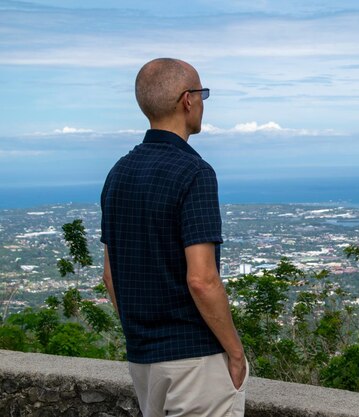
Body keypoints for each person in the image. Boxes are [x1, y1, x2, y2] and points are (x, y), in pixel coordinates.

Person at [100, 58, 247, 417]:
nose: (202, 103)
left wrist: (141, 338)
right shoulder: (194, 172)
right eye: (202, 94)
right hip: (194, 361)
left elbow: (110, 276)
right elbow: (202, 279)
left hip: (143, 361)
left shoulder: (118, 173)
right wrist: (236, 351)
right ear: (187, 100)